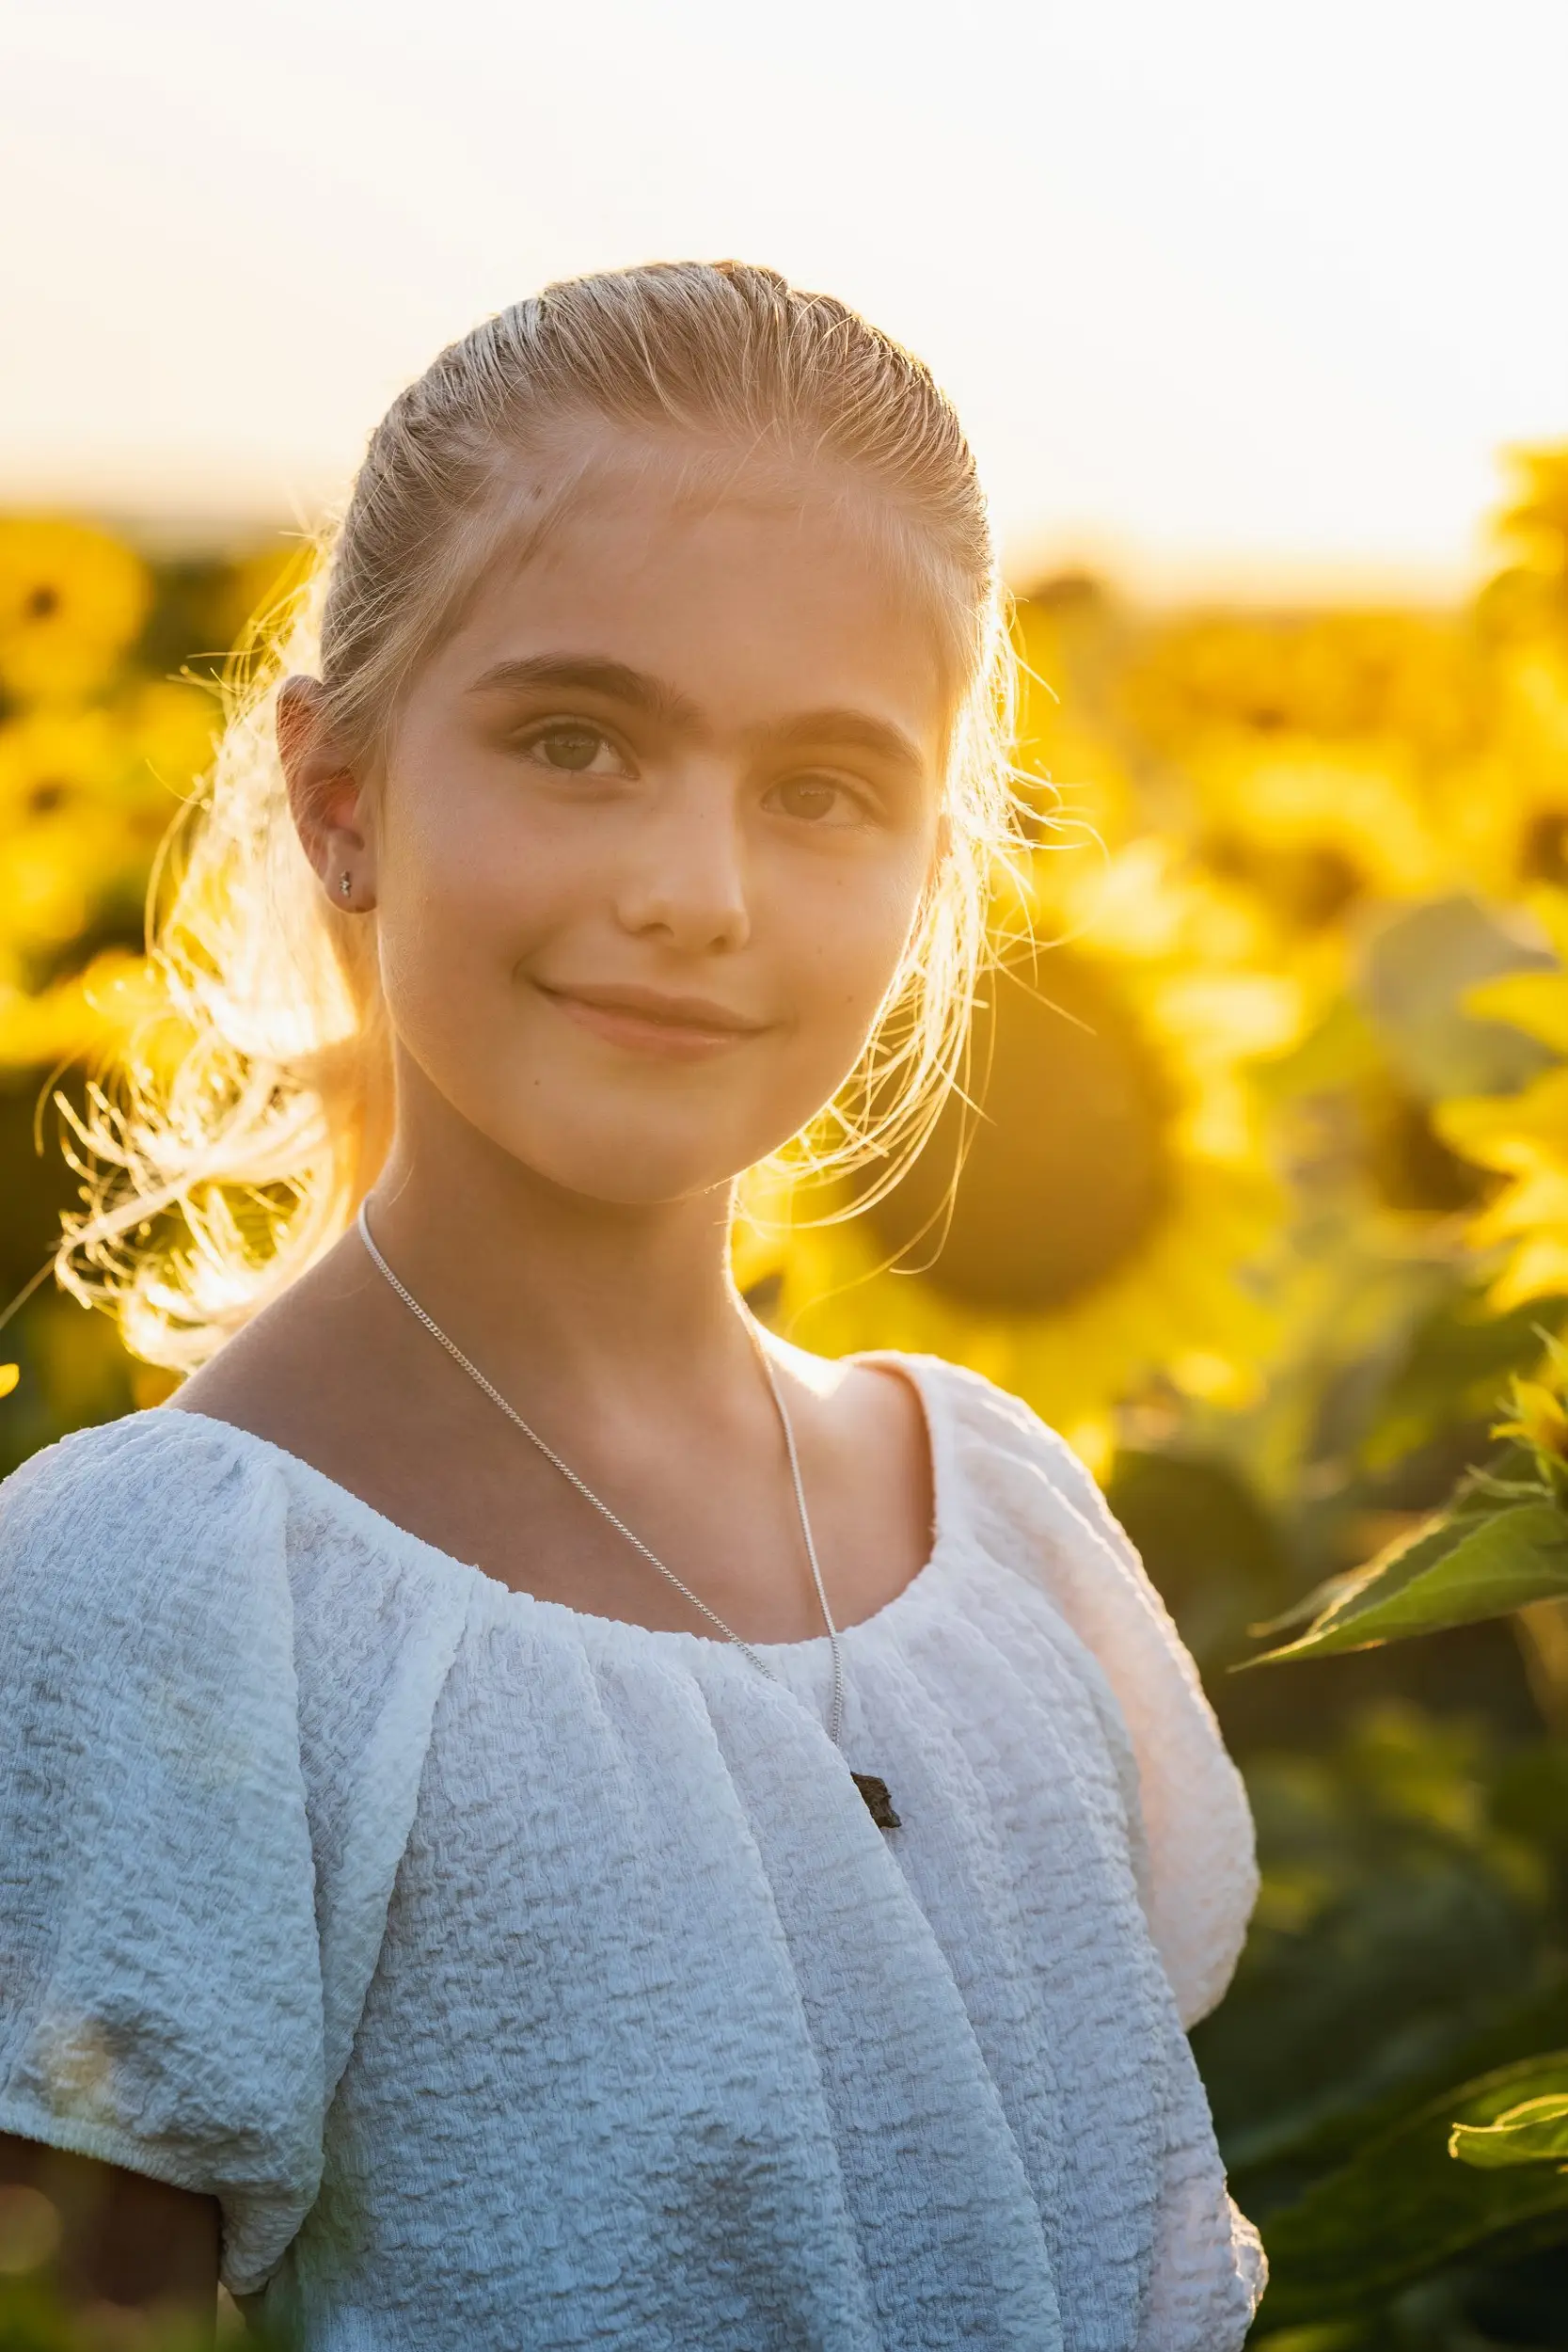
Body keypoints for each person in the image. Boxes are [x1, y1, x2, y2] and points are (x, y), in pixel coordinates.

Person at [0, 262, 1264, 2350]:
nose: (698, 887)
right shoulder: (166, 1598)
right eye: (578, 740)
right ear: (339, 794)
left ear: (927, 869)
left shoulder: (1006, 1526)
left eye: (821, 788)